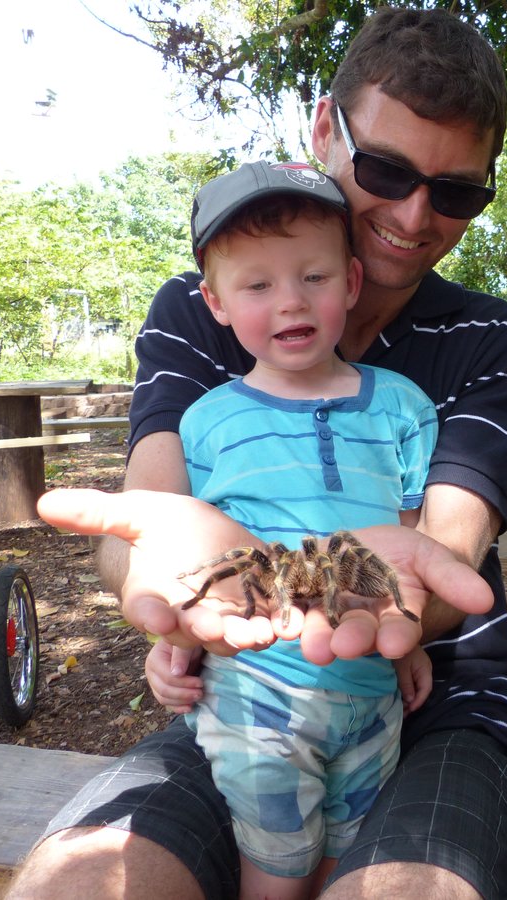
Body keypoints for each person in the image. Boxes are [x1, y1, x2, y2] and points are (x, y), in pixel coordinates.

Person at [7, 9, 507, 900]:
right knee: (74, 886)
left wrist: (310, 588)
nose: (417, 216)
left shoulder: (493, 338)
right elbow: (141, 525)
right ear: (324, 130)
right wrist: (175, 603)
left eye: (456, 192)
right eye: (386, 170)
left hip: (445, 701)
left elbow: (445, 552)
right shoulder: (199, 309)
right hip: (246, 681)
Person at [175, 160, 441, 899]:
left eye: (314, 277)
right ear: (217, 302)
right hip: (255, 688)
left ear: (352, 282)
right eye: (257, 285)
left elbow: (414, 542)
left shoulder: (403, 408)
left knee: (343, 862)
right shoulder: (207, 423)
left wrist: (408, 639)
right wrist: (175, 643)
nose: (290, 300)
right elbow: (196, 554)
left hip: (371, 690)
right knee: (275, 870)